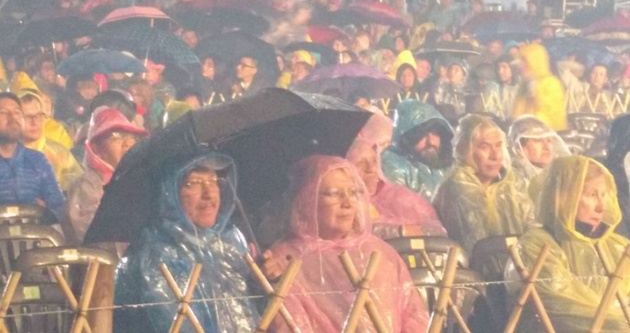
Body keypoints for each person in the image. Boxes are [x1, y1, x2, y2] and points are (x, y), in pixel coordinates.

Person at [268, 155, 429, 332]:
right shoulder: (284, 260)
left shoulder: (379, 251)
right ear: (306, 200)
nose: (347, 203)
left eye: (352, 193)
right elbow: (289, 324)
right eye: (333, 194)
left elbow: (413, 313)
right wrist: (271, 281)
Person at [114, 151, 259, 333]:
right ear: (170, 192)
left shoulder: (230, 240)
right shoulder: (154, 254)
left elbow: (249, 313)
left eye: (213, 181)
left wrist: (264, 281)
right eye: (193, 184)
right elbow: (176, 324)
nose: (208, 194)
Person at [505, 156, 630, 333]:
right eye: (592, 195)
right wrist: (623, 322)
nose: (601, 206)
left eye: (603, 194)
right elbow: (567, 309)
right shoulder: (536, 247)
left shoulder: (618, 246)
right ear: (563, 198)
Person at [433, 114, 534, 255]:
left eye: (498, 146)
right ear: (465, 149)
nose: (495, 156)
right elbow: (475, 246)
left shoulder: (513, 182)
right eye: (485, 147)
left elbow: (531, 227)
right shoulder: (456, 188)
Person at [67, 107, 148, 244]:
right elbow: (91, 230)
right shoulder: (88, 184)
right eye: (116, 137)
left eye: (131, 137)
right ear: (96, 148)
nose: (127, 143)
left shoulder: (140, 179)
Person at [346, 138, 446, 238]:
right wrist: (402, 231)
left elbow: (437, 230)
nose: (371, 169)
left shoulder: (401, 197)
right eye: (361, 163)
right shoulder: (344, 205)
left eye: (374, 161)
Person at [0, 92, 65, 218]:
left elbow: (58, 206)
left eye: (17, 113)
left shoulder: (37, 161)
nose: (12, 118)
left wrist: (47, 213)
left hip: (34, 233)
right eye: (3, 113)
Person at [381, 100, 454, 200]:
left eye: (435, 133)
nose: (431, 141)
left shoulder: (442, 165)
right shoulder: (393, 164)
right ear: (407, 137)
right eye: (422, 134)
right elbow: (400, 208)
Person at [19, 89, 83, 193]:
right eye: (27, 117)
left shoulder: (59, 152)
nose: (35, 122)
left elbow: (78, 184)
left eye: (39, 116)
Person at [512, 43, 567, 130]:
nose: (520, 65)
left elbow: (549, 120)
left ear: (535, 61)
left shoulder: (551, 84)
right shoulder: (524, 85)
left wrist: (536, 92)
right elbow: (516, 115)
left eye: (524, 61)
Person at [507, 115, 571, 186]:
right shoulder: (513, 183)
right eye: (538, 140)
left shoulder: (561, 176)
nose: (547, 147)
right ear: (519, 147)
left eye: (549, 140)